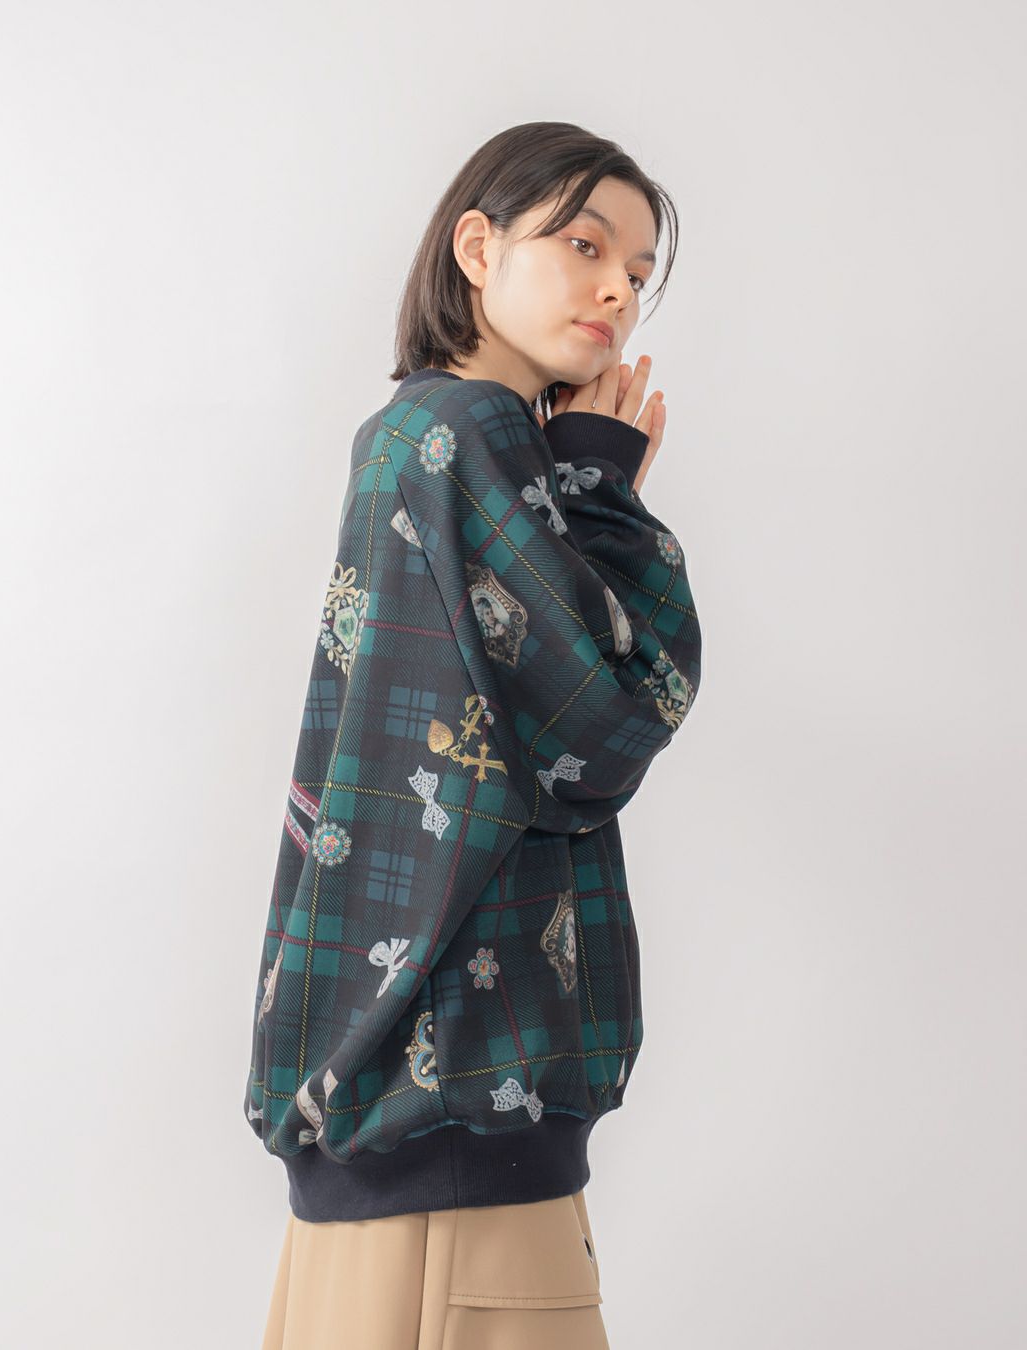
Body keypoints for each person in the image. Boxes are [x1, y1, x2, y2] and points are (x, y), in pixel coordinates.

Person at [247, 120, 703, 1349]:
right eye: (584, 244)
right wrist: (602, 491)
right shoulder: (471, 432)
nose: (619, 289)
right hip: (459, 1126)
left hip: (392, 1116)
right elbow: (613, 716)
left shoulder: (413, 434)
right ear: (478, 248)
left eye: (638, 269)